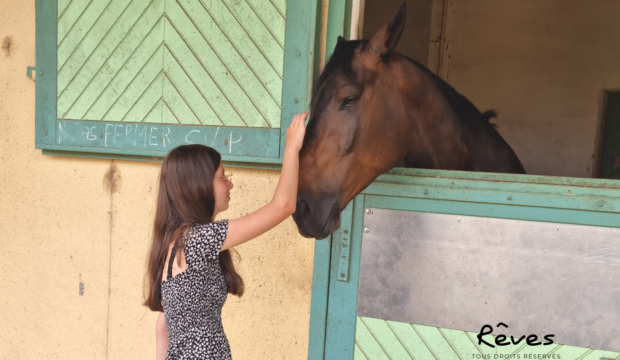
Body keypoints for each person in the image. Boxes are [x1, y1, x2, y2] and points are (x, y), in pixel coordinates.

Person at [143, 112, 309, 359]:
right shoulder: (198, 241)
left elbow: (163, 323)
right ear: (198, 185)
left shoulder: (177, 241)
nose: (229, 183)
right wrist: (292, 147)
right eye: (222, 176)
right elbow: (284, 205)